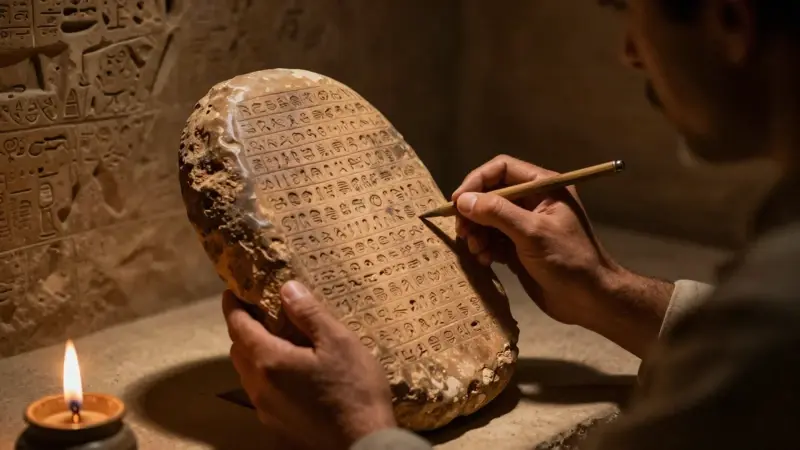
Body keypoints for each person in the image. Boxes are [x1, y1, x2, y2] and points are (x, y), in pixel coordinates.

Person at [222, 0, 800, 448]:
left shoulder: (774, 305)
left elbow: (768, 348)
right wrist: (607, 292)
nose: (629, 51)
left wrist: (362, 431)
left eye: (630, 10)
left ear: (729, 21)